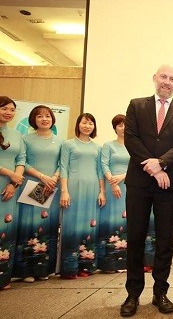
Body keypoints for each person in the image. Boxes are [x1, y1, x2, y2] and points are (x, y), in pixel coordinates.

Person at [121, 64, 173, 317]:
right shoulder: (136, 105)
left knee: (165, 240)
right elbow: (131, 138)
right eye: (163, 77)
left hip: (168, 186)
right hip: (139, 183)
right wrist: (154, 167)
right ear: (154, 78)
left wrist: (162, 163)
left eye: (172, 78)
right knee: (135, 237)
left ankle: (160, 291)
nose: (167, 81)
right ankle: (133, 294)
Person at [13, 105, 63, 283]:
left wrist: (54, 178)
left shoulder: (60, 141)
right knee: (30, 225)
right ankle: (27, 269)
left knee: (47, 225)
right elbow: (22, 162)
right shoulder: (25, 139)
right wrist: (43, 177)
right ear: (33, 119)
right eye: (40, 116)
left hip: (52, 187)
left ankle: (44, 268)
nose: (44, 119)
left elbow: (62, 164)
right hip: (31, 186)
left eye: (48, 116)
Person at [59, 113, 105, 279]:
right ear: (78, 124)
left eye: (91, 123)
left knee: (90, 225)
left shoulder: (97, 147)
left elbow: (100, 171)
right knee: (71, 225)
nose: (87, 126)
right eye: (84, 123)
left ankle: (87, 266)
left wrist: (102, 191)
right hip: (73, 187)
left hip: (92, 187)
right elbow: (63, 167)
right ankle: (69, 267)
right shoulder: (68, 144)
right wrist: (64, 190)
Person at [97, 114, 129, 273]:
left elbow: (139, 166)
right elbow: (103, 165)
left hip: (129, 186)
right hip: (111, 188)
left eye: (126, 125)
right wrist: (113, 182)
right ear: (115, 128)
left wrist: (123, 177)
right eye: (120, 125)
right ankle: (107, 263)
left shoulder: (134, 145)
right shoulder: (108, 145)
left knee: (127, 221)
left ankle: (122, 261)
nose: (123, 128)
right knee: (110, 221)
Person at [0, 96, 26, 290]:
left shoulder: (16, 134)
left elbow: (21, 158)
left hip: (11, 187)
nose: (8, 112)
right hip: (7, 177)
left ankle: (3, 277)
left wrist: (14, 182)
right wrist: (11, 175)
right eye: (4, 109)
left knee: (6, 229)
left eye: (12, 109)